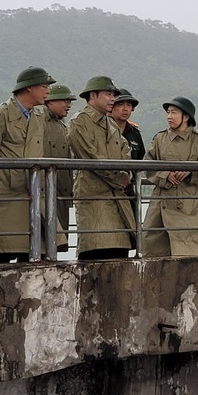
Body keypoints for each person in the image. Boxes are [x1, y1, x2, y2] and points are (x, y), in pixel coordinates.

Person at [0, 66, 53, 262]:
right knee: (3, 252)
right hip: (8, 193)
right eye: (44, 86)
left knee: (34, 254)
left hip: (34, 193)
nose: (48, 91)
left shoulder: (39, 115)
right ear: (29, 88)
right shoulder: (0, 115)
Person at [67, 76, 136, 260]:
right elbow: (90, 157)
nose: (112, 99)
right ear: (93, 95)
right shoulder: (79, 122)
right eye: (108, 94)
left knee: (120, 254)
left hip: (118, 201)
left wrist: (126, 173)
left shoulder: (111, 123)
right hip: (93, 197)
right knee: (95, 252)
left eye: (114, 95)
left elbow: (125, 150)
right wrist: (120, 178)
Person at [142, 96, 198, 257]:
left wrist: (191, 171)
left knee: (190, 250)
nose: (169, 116)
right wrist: (165, 174)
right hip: (161, 199)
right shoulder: (160, 138)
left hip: (188, 202)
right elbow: (147, 165)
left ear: (186, 116)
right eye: (168, 112)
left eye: (174, 112)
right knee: (153, 247)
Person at [43, 83, 75, 251]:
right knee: (39, 244)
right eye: (64, 101)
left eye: (70, 101)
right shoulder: (38, 121)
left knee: (56, 245)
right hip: (43, 193)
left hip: (61, 193)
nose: (68, 105)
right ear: (50, 101)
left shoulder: (62, 125)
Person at [111, 88, 145, 211]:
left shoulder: (134, 133)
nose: (125, 109)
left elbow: (140, 157)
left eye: (129, 105)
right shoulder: (103, 129)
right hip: (107, 190)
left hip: (129, 191)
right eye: (120, 104)